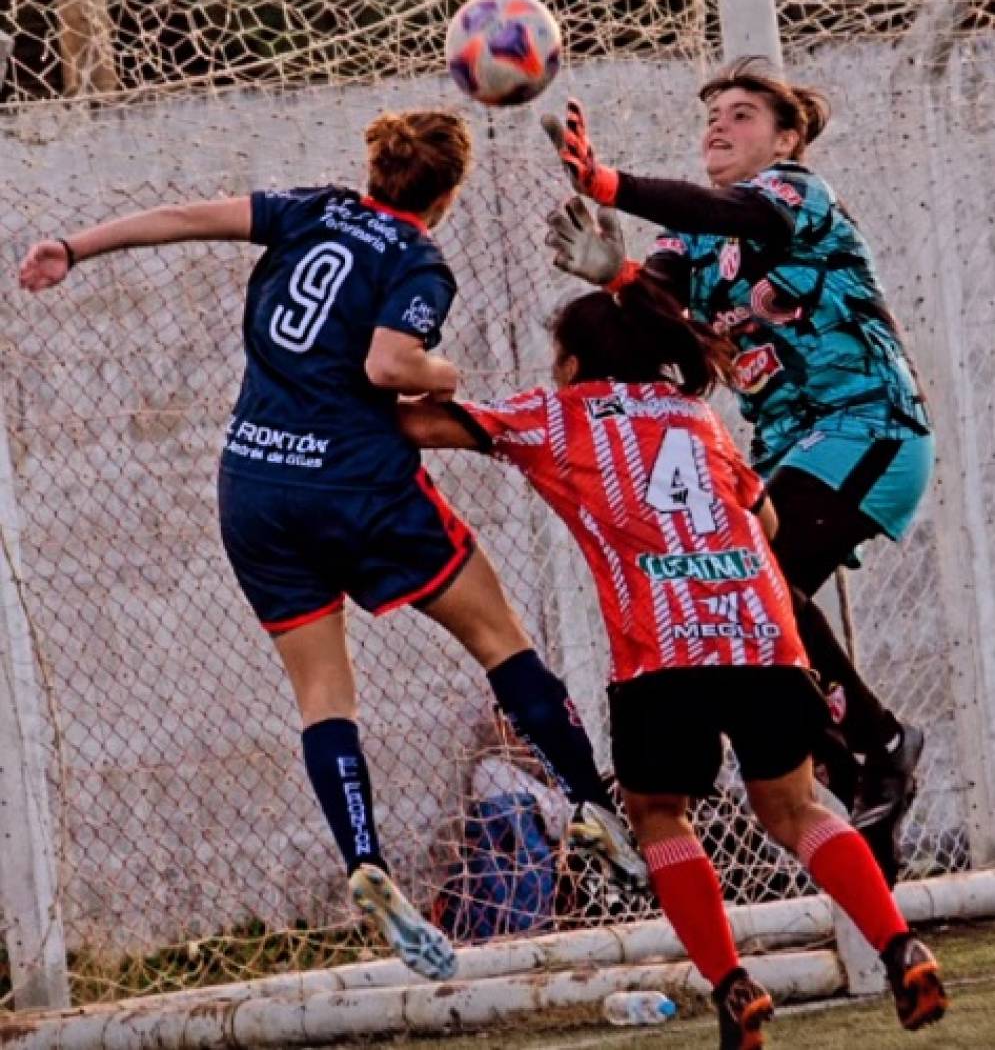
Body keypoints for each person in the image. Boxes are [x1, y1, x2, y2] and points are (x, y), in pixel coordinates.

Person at [17, 108, 645, 982]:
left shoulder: (312, 210)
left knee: (322, 693)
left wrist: (73, 247)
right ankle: (590, 801)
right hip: (356, 486)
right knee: (499, 638)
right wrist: (444, 371)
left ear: (374, 169)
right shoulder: (417, 259)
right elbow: (389, 367)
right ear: (448, 194)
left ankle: (365, 860)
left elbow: (188, 217)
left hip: (253, 488)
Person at [397, 276, 947, 1046]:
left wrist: (367, 381)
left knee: (659, 815)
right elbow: (767, 516)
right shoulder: (698, 418)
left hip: (662, 654)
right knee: (796, 811)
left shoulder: (557, 416)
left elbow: (423, 427)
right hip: (761, 634)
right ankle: (899, 946)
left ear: (575, 360)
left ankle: (730, 985)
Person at [540, 56, 933, 881]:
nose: (719, 124)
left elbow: (716, 203)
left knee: (758, 574)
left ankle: (877, 743)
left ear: (786, 138)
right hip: (783, 449)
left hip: (865, 427)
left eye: (743, 113)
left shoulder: (795, 194)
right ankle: (856, 770)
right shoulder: (693, 241)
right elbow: (654, 319)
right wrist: (614, 275)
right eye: (713, 112)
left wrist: (607, 180)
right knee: (747, 596)